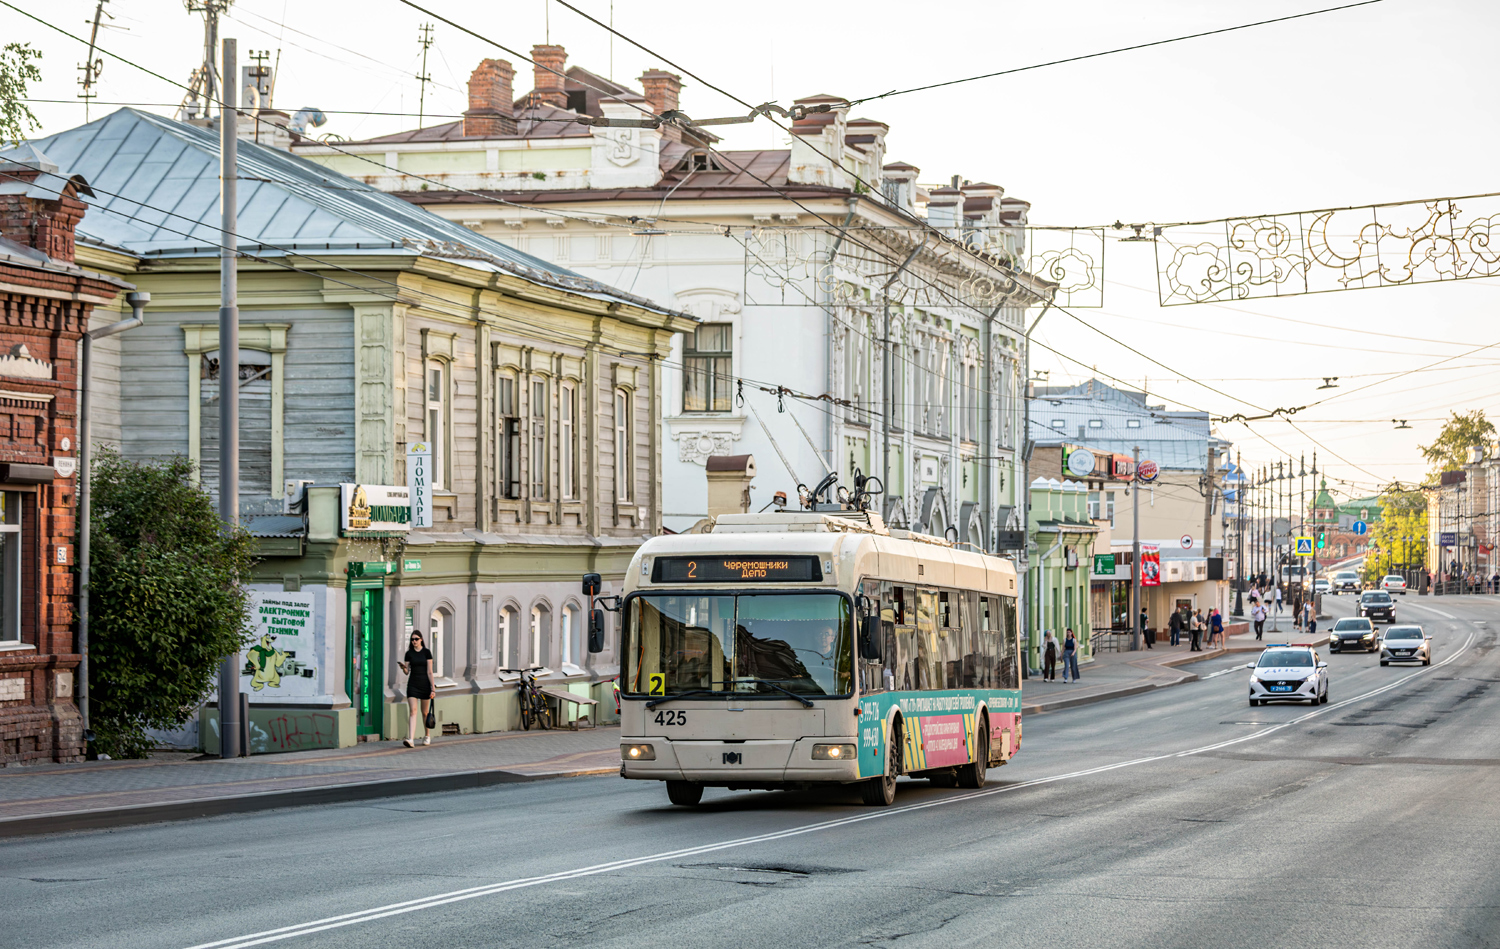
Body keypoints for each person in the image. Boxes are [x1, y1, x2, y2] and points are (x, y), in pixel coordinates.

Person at [398, 630, 435, 748]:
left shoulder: (427, 653)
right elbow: (407, 672)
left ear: (421, 639)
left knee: (425, 713)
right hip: (413, 684)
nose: (414, 641)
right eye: (412, 639)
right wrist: (403, 667)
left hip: (424, 684)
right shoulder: (409, 654)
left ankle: (427, 735)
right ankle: (411, 739)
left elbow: (430, 672)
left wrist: (432, 688)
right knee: (413, 711)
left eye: (416, 639)